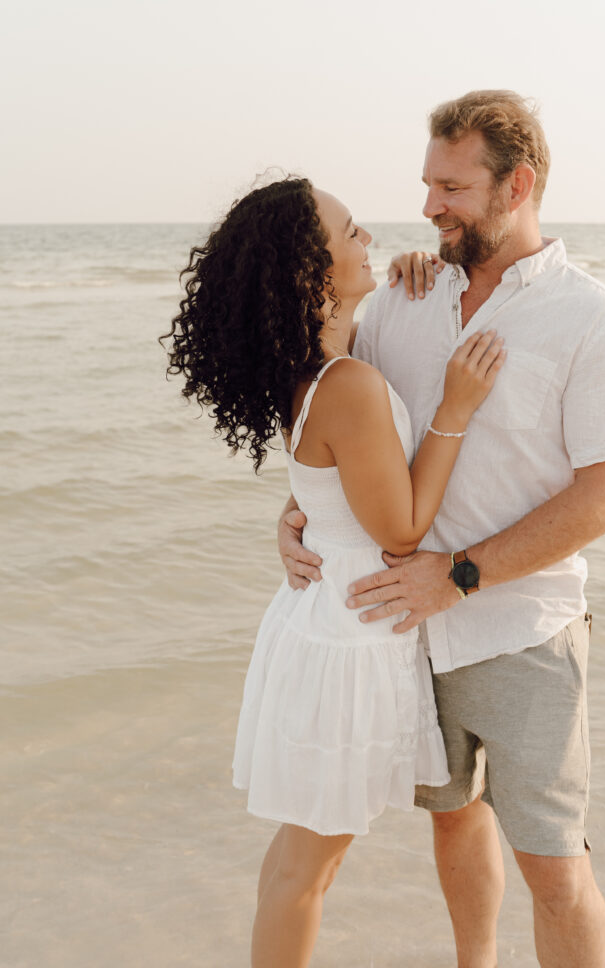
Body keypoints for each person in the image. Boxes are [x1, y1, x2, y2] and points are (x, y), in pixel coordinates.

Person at [279, 91, 605, 968]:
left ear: (515, 184)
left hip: (522, 632)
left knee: (554, 866)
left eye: (451, 186)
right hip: (404, 637)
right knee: (451, 823)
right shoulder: (399, 299)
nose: (427, 206)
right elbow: (343, 438)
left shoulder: (595, 320)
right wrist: (294, 517)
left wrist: (458, 575)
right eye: (426, 183)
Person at [160, 175, 506, 968]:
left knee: (305, 858)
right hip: (348, 634)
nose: (370, 240)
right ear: (309, 269)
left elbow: (328, 493)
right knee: (308, 865)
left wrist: (419, 270)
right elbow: (400, 530)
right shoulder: (345, 383)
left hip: (327, 626)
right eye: (351, 233)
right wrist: (455, 406)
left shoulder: (321, 370)